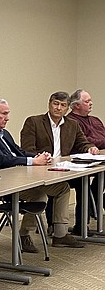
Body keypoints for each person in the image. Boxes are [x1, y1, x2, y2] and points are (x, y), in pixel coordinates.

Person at [0, 98, 82, 249]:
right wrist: (31, 162)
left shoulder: (3, 133)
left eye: (8, 114)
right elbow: (1, 160)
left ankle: (60, 234)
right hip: (1, 185)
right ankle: (24, 235)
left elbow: (19, 151)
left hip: (18, 178)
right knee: (39, 195)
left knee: (61, 187)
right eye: (4, 114)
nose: (8, 118)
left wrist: (37, 157)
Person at [20, 91, 99, 240]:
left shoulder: (72, 124)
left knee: (83, 182)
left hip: (63, 169)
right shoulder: (34, 122)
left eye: (63, 105)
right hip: (41, 170)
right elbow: (26, 150)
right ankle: (53, 227)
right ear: (49, 104)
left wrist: (90, 148)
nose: (58, 108)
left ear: (68, 108)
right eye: (55, 104)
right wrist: (41, 158)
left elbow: (82, 142)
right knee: (59, 187)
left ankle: (81, 226)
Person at [67, 89, 105, 234]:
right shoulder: (72, 121)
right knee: (84, 185)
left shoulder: (95, 120)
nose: (91, 103)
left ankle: (95, 205)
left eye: (90, 101)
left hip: (99, 160)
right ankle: (88, 214)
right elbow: (85, 141)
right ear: (76, 105)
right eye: (87, 101)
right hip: (80, 163)